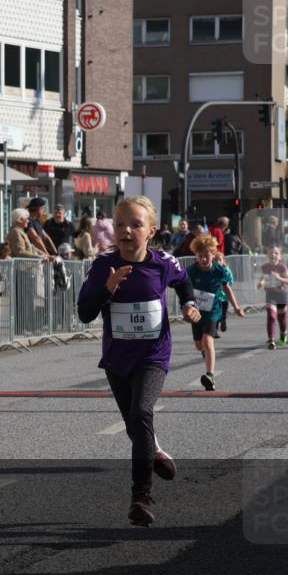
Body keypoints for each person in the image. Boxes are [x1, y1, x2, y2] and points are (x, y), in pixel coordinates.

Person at [77, 196, 201, 527]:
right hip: (118, 358)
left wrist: (189, 304)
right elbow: (84, 313)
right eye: (119, 224)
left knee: (141, 413)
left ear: (151, 231)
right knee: (135, 425)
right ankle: (155, 450)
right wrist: (107, 288)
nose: (126, 230)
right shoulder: (103, 266)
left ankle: (141, 496)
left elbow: (185, 283)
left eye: (135, 225)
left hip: (153, 354)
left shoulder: (164, 263)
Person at [186, 235, 245, 391]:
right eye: (200, 256)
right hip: (197, 313)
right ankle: (207, 356)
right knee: (199, 346)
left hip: (213, 310)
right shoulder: (191, 271)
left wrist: (236, 307)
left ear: (213, 253)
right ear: (196, 256)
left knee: (207, 341)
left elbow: (227, 289)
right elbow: (183, 288)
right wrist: (185, 304)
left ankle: (209, 376)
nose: (204, 259)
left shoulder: (220, 270)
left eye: (206, 255)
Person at [258, 245, 288, 349]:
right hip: (270, 294)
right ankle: (271, 340)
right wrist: (261, 283)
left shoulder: (282, 267)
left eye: (276, 253)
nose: (273, 255)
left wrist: (279, 277)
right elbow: (263, 278)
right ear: (268, 255)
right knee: (271, 316)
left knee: (281, 319)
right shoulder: (265, 267)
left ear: (280, 256)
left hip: (281, 294)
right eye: (271, 253)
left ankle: (283, 333)